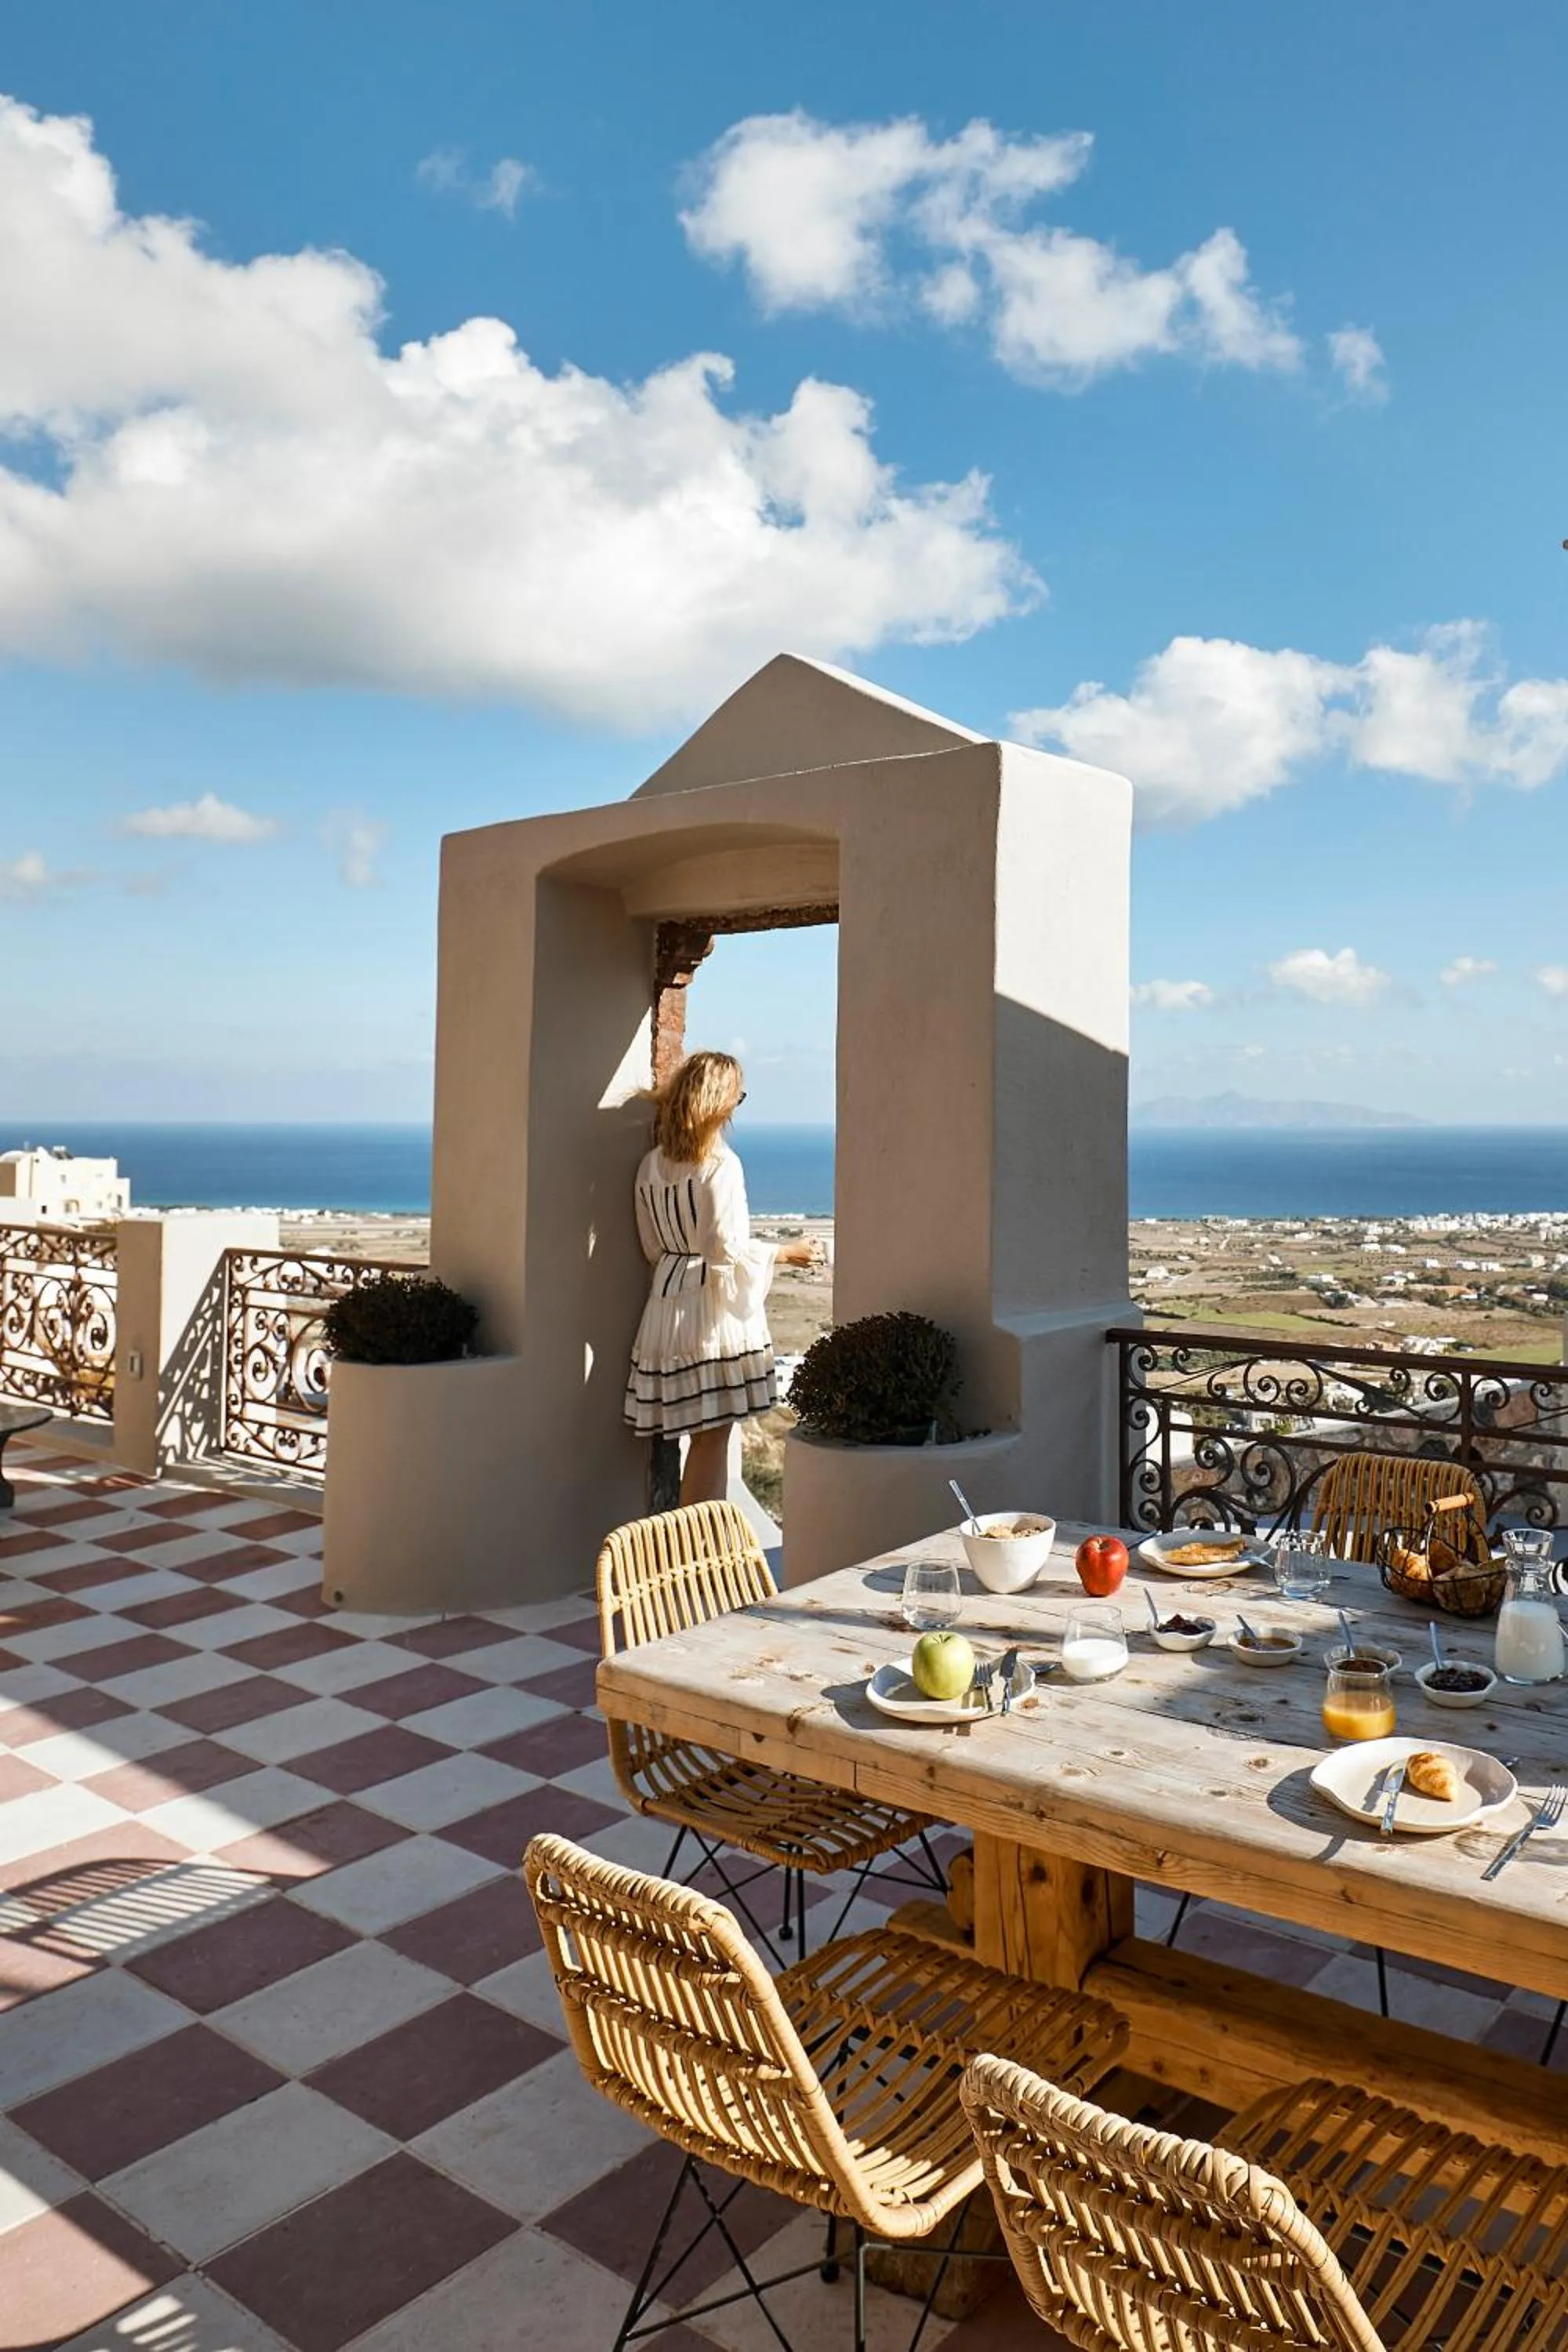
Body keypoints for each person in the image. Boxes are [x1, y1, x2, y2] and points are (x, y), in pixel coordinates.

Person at [625, 1049, 813, 1505]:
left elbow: (652, 1247)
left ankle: (695, 1546)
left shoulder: (650, 1165)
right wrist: (787, 1253)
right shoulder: (720, 1165)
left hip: (665, 1303)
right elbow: (724, 1250)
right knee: (714, 1439)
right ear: (719, 1102)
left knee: (696, 1438)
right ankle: (698, 1553)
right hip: (711, 1312)